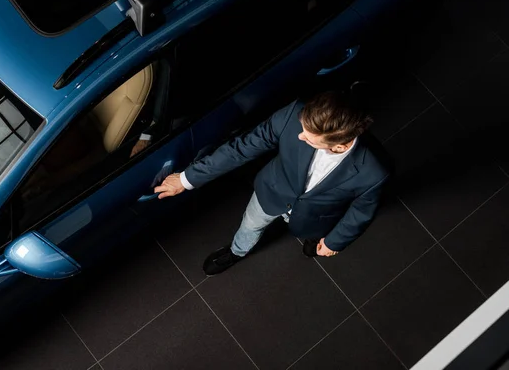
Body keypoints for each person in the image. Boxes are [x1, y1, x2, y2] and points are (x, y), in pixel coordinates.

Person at [154, 91, 392, 275]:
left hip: (317, 217)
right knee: (250, 225)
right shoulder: (291, 117)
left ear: (339, 146)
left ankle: (314, 241)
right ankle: (237, 251)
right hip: (272, 193)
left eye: (309, 139)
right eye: (303, 129)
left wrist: (334, 241)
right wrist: (186, 179)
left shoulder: (374, 171)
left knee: (314, 235)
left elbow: (362, 211)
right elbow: (241, 149)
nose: (300, 136)